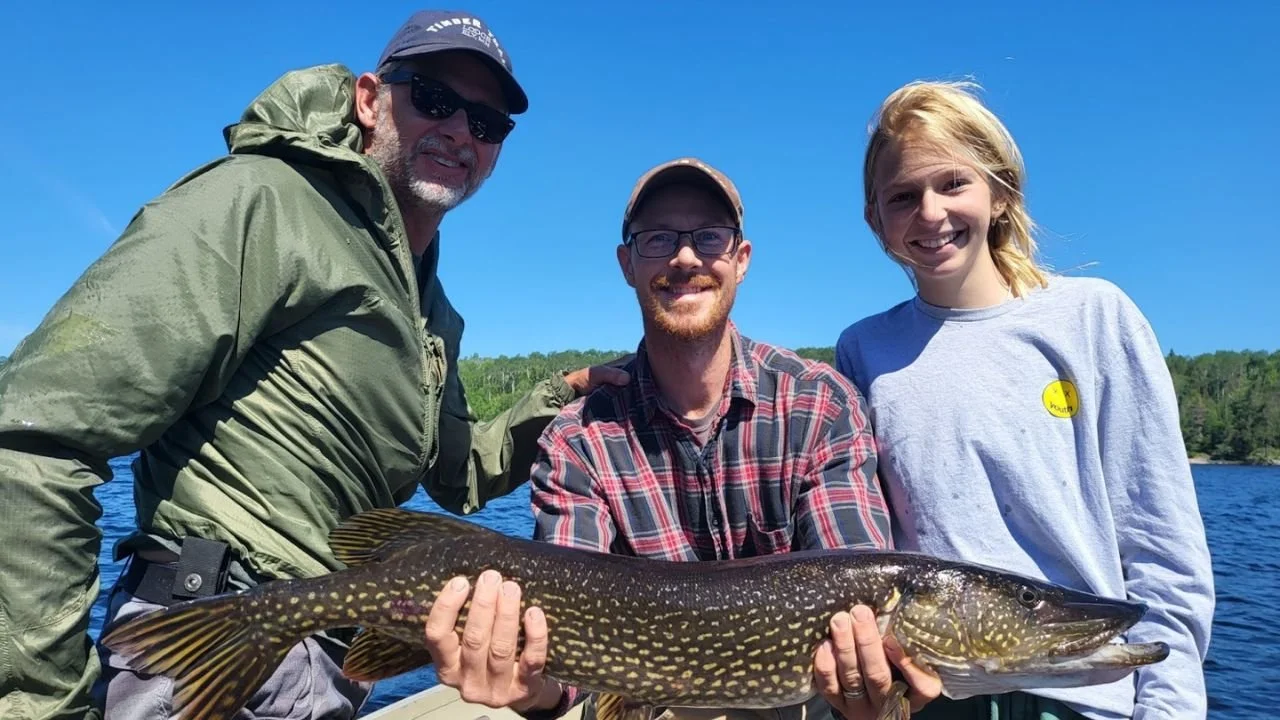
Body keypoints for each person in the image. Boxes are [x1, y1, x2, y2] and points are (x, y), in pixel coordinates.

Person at [0, 10, 628, 720]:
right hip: (218, 628)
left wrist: (559, 392)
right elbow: (32, 441)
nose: (460, 130)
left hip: (321, 656)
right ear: (369, 99)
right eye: (433, 98)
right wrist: (41, 705)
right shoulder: (262, 200)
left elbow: (457, 477)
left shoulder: (432, 311)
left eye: (487, 123)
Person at [418, 158, 944, 720]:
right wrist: (529, 688)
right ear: (627, 264)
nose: (685, 257)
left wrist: (877, 695)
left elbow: (854, 565)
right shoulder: (577, 440)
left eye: (709, 237)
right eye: (658, 238)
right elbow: (563, 674)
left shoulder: (820, 403)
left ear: (741, 260)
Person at [832, 80, 1215, 720]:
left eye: (953, 183)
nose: (930, 212)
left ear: (1001, 192)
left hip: (1082, 700)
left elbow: (1161, 547)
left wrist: (1170, 707)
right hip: (931, 699)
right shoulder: (863, 350)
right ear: (877, 220)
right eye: (903, 196)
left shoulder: (1093, 318)